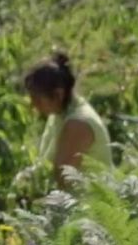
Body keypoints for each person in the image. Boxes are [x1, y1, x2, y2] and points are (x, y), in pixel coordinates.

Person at [23, 51, 112, 187]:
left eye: (37, 99)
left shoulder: (78, 124)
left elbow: (61, 181)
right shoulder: (58, 115)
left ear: (58, 94)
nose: (33, 104)